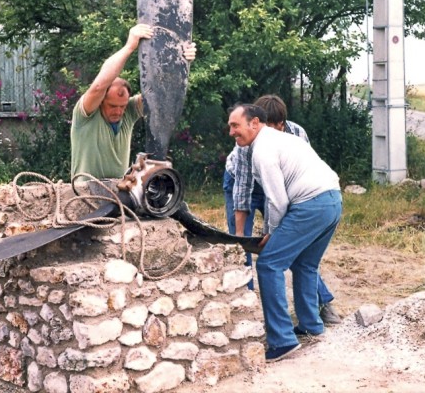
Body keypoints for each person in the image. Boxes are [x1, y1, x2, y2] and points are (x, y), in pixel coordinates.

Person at [227, 103, 342, 363]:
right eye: (230, 126)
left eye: (236, 125)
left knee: (269, 264)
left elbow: (277, 200)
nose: (232, 132)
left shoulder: (263, 151)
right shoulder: (282, 139)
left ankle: (282, 341)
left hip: (310, 204)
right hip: (333, 200)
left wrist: (271, 232)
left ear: (254, 122)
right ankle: (311, 325)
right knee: (305, 264)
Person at [71, 24, 196, 179]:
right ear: (101, 101)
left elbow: (160, 96)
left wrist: (180, 62)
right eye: (112, 106)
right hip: (83, 193)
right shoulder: (86, 114)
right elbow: (98, 86)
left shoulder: (128, 113)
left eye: (122, 106)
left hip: (117, 193)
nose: (118, 111)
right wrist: (130, 47)